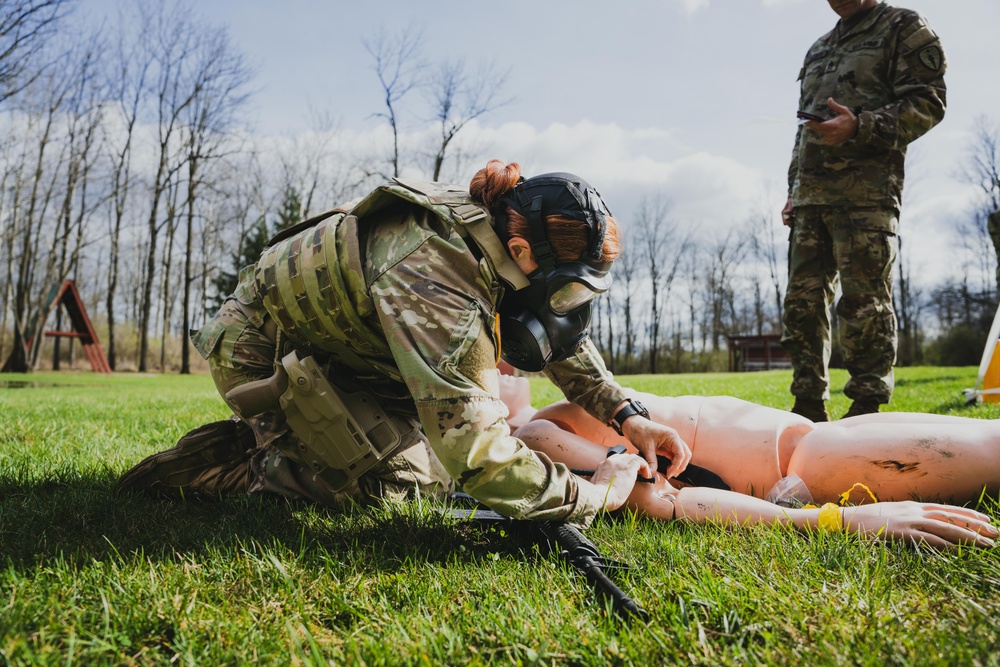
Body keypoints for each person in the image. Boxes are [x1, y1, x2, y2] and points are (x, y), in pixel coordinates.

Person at [117, 160, 689, 529]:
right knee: (396, 487)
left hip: (350, 349)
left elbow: (558, 335)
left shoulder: (499, 235)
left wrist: (628, 416)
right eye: (566, 293)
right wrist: (597, 496)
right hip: (264, 354)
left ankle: (296, 437)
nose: (569, 308)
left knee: (430, 469)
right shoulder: (436, 275)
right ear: (521, 253)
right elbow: (481, 461)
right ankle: (250, 461)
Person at [497, 374, 998, 551]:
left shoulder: (563, 406)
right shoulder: (538, 440)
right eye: (493, 367)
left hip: (821, 437)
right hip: (812, 467)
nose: (500, 368)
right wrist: (839, 519)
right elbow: (660, 498)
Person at [780, 0, 947, 422]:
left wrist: (861, 124)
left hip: (866, 197)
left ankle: (866, 412)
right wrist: (793, 189)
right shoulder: (819, 47)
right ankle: (807, 408)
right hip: (810, 199)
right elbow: (806, 130)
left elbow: (929, 103)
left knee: (864, 307)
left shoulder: (902, 27)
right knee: (802, 307)